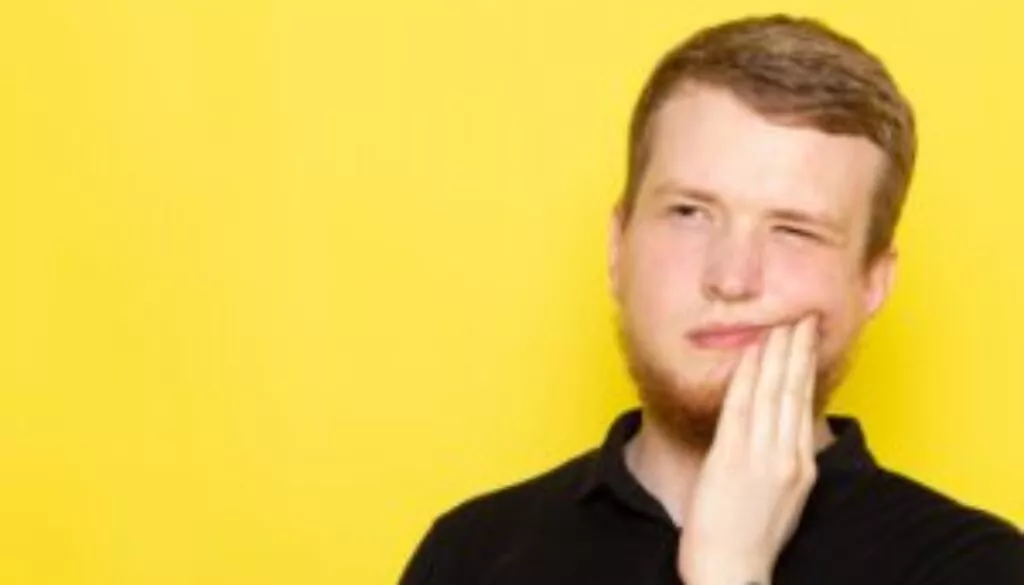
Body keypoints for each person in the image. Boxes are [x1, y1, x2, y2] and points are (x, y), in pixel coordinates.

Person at [398, 14, 1023, 585]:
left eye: (793, 230)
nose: (731, 277)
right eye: (691, 212)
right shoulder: (471, 553)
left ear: (872, 283)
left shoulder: (975, 566)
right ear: (619, 246)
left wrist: (730, 574)